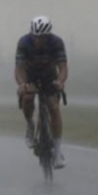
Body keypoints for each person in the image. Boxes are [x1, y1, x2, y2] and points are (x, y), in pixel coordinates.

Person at [15, 16, 68, 168]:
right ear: (32, 34)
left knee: (54, 108)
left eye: (43, 37)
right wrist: (23, 84)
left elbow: (63, 66)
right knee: (27, 98)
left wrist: (60, 81)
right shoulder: (24, 42)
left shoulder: (56, 42)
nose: (39, 40)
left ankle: (57, 152)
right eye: (36, 37)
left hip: (49, 75)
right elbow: (19, 68)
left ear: (48, 35)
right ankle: (30, 125)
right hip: (29, 74)